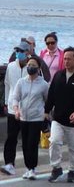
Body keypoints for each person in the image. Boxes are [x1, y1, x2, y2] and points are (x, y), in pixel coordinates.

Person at [46, 47, 74, 183]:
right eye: (64, 58)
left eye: (69, 58)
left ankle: (72, 170)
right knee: (54, 142)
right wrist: (46, 111)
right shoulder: (58, 75)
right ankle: (56, 168)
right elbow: (51, 95)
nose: (66, 61)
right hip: (57, 118)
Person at [9, 57, 48, 180]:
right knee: (25, 144)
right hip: (23, 118)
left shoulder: (43, 84)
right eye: (29, 65)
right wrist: (16, 110)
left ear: (38, 68)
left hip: (36, 119)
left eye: (33, 65)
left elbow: (48, 100)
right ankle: (27, 168)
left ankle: (32, 168)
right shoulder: (21, 82)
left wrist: (46, 113)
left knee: (32, 143)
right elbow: (15, 97)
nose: (30, 67)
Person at [2, 40, 33, 176]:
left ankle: (30, 167)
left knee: (27, 139)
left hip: (27, 108)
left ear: (27, 53)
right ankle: (9, 164)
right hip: (12, 108)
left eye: (21, 51)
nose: (18, 54)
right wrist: (6, 103)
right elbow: (7, 84)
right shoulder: (10, 66)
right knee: (11, 137)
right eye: (17, 51)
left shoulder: (32, 67)